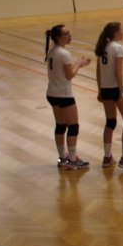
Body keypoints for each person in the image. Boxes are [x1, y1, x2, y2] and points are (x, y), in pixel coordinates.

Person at [45, 24, 92, 170]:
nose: (69, 35)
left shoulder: (52, 51)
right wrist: (79, 63)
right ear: (58, 37)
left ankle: (62, 158)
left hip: (52, 93)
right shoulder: (64, 54)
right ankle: (72, 159)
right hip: (63, 95)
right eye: (66, 34)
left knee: (60, 125)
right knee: (73, 126)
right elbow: (69, 75)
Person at [94, 22, 123, 170]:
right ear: (115, 33)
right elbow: (118, 71)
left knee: (110, 122)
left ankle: (107, 157)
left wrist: (100, 90)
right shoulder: (118, 48)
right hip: (117, 88)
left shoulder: (102, 48)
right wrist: (121, 91)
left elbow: (98, 71)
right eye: (121, 30)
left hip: (105, 89)